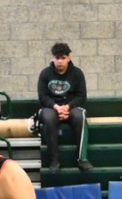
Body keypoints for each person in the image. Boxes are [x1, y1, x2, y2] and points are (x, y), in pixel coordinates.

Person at [37, 42, 93, 173]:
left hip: (71, 107)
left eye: (63, 58)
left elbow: (81, 96)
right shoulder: (45, 74)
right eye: (57, 58)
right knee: (48, 118)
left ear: (69, 58)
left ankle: (82, 159)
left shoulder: (77, 73)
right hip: (52, 108)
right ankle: (54, 160)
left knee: (80, 116)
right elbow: (42, 97)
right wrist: (56, 107)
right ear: (53, 58)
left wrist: (68, 107)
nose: (60, 61)